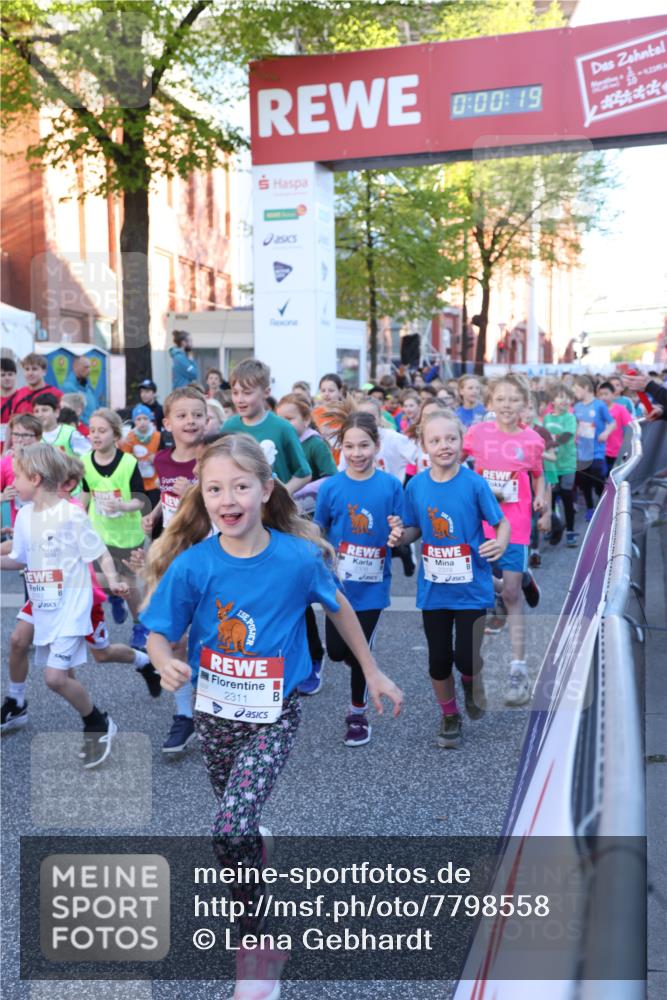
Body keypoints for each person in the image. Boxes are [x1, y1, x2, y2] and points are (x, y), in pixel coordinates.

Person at [141, 433, 402, 999]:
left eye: (240, 485)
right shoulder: (193, 565)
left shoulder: (298, 558)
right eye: (214, 488)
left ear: (265, 490)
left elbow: (341, 609)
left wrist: (374, 671)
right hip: (215, 714)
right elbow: (159, 631)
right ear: (202, 497)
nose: (227, 498)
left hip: (274, 714)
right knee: (236, 828)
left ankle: (256, 942)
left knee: (227, 828)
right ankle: (252, 842)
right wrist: (163, 662)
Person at [0, 443, 124, 767]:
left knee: (55, 678)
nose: (14, 484)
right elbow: (18, 559)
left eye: (19, 478)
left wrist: (114, 580)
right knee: (33, 653)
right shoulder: (25, 515)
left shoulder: (70, 513)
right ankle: (18, 702)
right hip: (44, 601)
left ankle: (97, 723)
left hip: (72, 605)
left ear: (37, 478)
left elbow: (99, 552)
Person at [401, 410, 509, 747]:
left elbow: (500, 522)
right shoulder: (416, 485)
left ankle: (471, 681)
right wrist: (399, 538)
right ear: (424, 446)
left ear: (462, 442)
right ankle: (449, 715)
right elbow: (413, 527)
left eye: (450, 439)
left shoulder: (474, 483)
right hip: (433, 590)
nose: (444, 446)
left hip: (472, 588)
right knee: (438, 659)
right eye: (435, 440)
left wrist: (500, 542)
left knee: (466, 656)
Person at [315, 412, 404, 745]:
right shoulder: (331, 487)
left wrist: (399, 532)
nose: (356, 453)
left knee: (360, 650)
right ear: (340, 449)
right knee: (339, 652)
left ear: (376, 445)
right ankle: (365, 666)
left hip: (372, 587)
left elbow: (405, 527)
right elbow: (320, 527)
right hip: (337, 586)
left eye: (364, 445)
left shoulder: (391, 486)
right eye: (349, 446)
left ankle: (357, 714)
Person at [463, 373, 546, 706]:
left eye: (514, 399)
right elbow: (456, 460)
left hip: (516, 524)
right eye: (501, 399)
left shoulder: (532, 440)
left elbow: (539, 475)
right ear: (490, 403)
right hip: (481, 522)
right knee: (481, 587)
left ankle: (518, 670)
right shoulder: (477, 434)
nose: (507, 405)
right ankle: (523, 576)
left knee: (510, 595)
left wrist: (542, 501)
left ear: (525, 403)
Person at [142, 386, 208, 753]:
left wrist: (195, 491)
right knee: (174, 638)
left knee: (211, 635)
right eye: (182, 415)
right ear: (166, 423)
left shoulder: (212, 458)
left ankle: (220, 707)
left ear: (207, 419)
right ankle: (185, 715)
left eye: (197, 414)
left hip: (210, 556)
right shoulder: (163, 460)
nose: (190, 421)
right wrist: (152, 517)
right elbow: (165, 499)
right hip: (173, 557)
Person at [276, 393, 338, 696]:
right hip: (276, 523)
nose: (285, 423)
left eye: (291, 418)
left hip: (309, 524)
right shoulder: (275, 441)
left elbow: (331, 479)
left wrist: (296, 494)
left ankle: (314, 658)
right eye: (281, 417)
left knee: (304, 594)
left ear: (306, 419)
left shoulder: (314, 444)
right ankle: (291, 658)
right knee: (285, 595)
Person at [81, 409, 147, 649]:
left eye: (102, 431)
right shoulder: (85, 461)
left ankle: (140, 625)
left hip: (128, 533)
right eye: (92, 431)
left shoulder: (128, 463)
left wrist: (121, 505)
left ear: (115, 434)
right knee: (102, 578)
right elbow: (86, 492)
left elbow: (140, 500)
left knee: (129, 584)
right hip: (99, 531)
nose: (95, 436)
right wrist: (75, 513)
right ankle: (112, 595)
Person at [223, 359, 311, 496]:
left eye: (247, 393)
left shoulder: (283, 428)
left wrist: (284, 493)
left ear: (266, 392)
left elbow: (304, 473)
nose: (239, 399)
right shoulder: (228, 427)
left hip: (275, 513)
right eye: (235, 393)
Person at [572, 375, 615, 520]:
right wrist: (574, 435)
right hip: (582, 451)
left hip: (597, 450)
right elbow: (577, 425)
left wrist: (606, 432)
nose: (575, 392)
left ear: (585, 388)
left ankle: (605, 504)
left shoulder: (599, 405)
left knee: (598, 477)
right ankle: (590, 509)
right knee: (585, 483)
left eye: (576, 389)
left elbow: (612, 422)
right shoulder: (576, 407)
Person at [543, 383, 579, 547]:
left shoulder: (570, 417)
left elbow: (566, 436)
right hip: (550, 465)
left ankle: (571, 531)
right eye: (560, 397)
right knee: (550, 498)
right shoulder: (547, 418)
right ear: (553, 400)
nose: (564, 401)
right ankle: (553, 526)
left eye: (567, 398)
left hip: (567, 464)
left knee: (566, 497)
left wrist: (551, 443)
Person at [0, 414, 42, 528]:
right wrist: (3, 496)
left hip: (43, 520)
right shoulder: (5, 463)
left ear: (38, 437)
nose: (19, 439)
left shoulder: (44, 460)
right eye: (16, 434)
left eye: (25, 435)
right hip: (17, 524)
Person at [121, 404, 162, 511]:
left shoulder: (158, 436)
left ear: (150, 419)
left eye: (145, 418)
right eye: (138, 419)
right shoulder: (129, 437)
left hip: (154, 483)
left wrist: (157, 458)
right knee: (140, 512)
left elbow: (165, 457)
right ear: (134, 421)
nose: (142, 422)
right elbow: (124, 458)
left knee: (153, 512)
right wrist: (132, 458)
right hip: (137, 482)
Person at [32, 392, 91, 457]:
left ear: (57, 412)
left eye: (45, 410)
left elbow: (89, 455)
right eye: (36, 411)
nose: (40, 415)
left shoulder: (70, 433)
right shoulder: (32, 435)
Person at [597, 381, 633, 476]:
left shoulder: (621, 409)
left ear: (613, 395)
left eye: (606, 394)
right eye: (601, 394)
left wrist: (628, 447)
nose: (603, 397)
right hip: (599, 450)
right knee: (600, 476)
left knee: (611, 476)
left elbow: (630, 426)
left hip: (615, 451)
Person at [60, 356, 100, 425]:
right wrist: (88, 425)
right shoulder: (68, 387)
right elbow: (71, 413)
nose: (89, 370)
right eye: (86, 367)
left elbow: (97, 407)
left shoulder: (89, 387)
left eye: (90, 367)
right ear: (76, 367)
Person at [1, 357, 18, 449]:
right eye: (2, 375)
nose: (7, 378)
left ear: (15, 375)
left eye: (10, 374)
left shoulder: (22, 397)